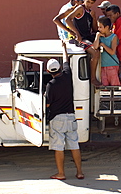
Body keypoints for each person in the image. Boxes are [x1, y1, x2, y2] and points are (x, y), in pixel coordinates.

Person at [45, 41, 84, 180]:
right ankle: (79, 172)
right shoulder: (67, 75)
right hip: (71, 116)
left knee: (58, 147)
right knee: (74, 145)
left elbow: (48, 105)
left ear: (49, 71)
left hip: (57, 119)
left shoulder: (50, 85)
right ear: (60, 68)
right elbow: (66, 60)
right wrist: (64, 48)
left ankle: (61, 173)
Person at [66, 0, 101, 86]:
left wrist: (94, 18)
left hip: (88, 37)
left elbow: (94, 29)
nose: (89, 5)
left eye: (92, 3)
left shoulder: (90, 12)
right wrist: (77, 34)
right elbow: (67, 19)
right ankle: (93, 79)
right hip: (80, 39)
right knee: (95, 53)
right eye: (88, 2)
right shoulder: (80, 9)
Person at [93, 17, 121, 86]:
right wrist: (97, 36)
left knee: (114, 86)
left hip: (112, 65)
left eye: (100, 27)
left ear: (107, 27)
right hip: (102, 66)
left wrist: (103, 45)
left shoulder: (113, 37)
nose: (99, 29)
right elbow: (95, 47)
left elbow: (112, 52)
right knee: (104, 87)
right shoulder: (100, 37)